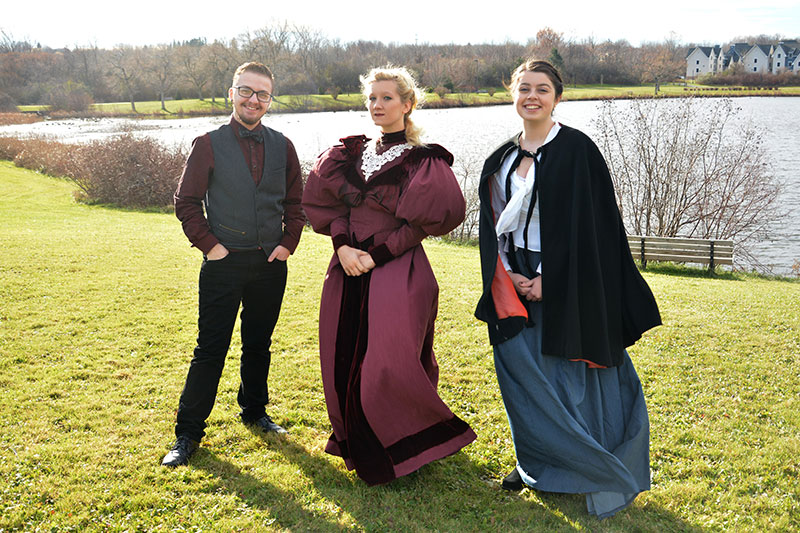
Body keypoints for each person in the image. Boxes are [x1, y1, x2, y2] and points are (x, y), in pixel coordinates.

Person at [474, 59, 662, 518]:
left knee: (574, 378)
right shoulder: (500, 157)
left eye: (542, 88)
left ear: (557, 96)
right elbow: (490, 226)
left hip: (570, 279)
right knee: (522, 376)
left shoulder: (578, 149)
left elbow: (597, 230)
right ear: (512, 93)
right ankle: (534, 459)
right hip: (510, 277)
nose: (531, 96)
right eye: (524, 88)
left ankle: (592, 463)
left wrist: (551, 280)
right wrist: (509, 274)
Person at [302, 66, 476, 485]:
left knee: (389, 360)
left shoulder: (423, 159)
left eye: (387, 98)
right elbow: (333, 208)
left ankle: (406, 444)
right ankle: (356, 441)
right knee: (344, 352)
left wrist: (375, 255)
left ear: (407, 104)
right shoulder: (348, 152)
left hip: (398, 269)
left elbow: (423, 224)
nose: (377, 106)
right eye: (372, 99)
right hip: (346, 268)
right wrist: (343, 248)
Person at [162, 62, 305, 467]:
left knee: (259, 344)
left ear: (270, 100)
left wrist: (287, 244)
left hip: (270, 264)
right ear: (231, 93)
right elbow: (186, 202)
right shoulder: (208, 143)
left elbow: (296, 203)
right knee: (210, 349)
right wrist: (210, 246)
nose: (253, 100)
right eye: (246, 91)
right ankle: (188, 434)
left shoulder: (284, 145)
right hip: (223, 265)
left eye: (262, 94)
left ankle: (255, 412)